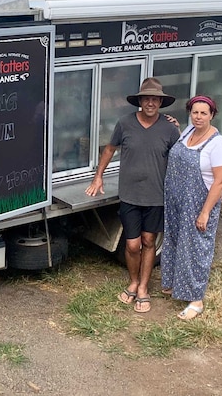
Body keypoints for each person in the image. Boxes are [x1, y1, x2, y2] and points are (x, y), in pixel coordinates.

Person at [85, 77, 180, 314]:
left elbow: (181, 155)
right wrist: (98, 176)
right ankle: (133, 280)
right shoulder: (125, 123)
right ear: (140, 101)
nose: (150, 103)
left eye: (155, 99)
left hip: (156, 196)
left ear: (160, 102)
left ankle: (143, 287)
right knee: (132, 243)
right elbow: (109, 149)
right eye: (146, 99)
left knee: (149, 241)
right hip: (130, 194)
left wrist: (180, 130)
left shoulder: (169, 128)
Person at [160, 95, 222, 320]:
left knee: (196, 249)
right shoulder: (189, 132)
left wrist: (205, 212)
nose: (198, 117)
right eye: (195, 112)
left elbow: (220, 181)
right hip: (177, 200)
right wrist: (177, 127)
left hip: (198, 204)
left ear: (212, 115)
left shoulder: (217, 144)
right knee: (174, 241)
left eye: (203, 113)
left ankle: (196, 300)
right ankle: (175, 284)